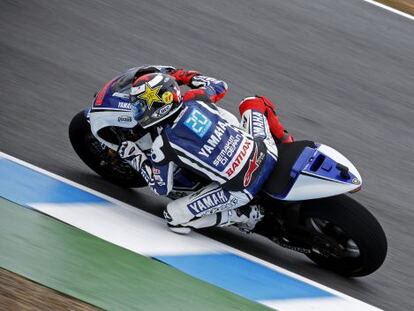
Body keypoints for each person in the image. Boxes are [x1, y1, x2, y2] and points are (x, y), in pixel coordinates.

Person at [113, 65, 294, 234]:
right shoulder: (196, 98)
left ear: (155, 108)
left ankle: (243, 214)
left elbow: (160, 188)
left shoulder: (162, 145)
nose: (137, 111)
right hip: (266, 151)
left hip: (242, 189)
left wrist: (134, 155)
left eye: (140, 106)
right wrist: (181, 76)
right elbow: (219, 86)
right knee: (253, 102)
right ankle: (287, 143)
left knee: (173, 216)